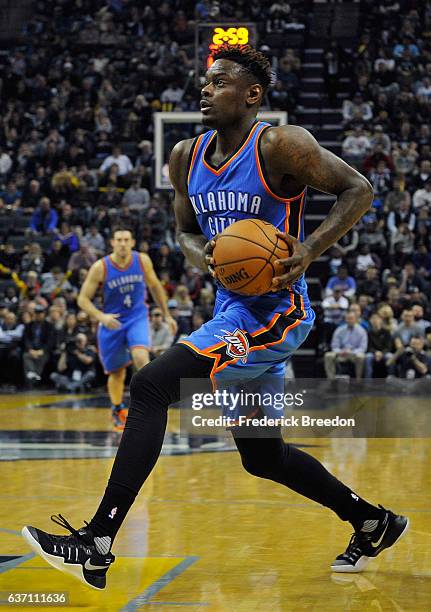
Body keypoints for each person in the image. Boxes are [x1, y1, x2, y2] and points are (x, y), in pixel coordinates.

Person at [22, 44, 408, 589]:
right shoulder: (185, 154)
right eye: (205, 81)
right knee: (263, 456)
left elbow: (358, 189)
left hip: (277, 312)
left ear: (252, 95)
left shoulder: (282, 146)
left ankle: (97, 541)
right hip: (232, 310)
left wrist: (310, 248)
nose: (205, 89)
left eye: (220, 81)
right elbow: (184, 229)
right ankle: (373, 522)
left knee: (154, 384)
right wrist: (196, 253)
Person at [76, 225, 177, 429]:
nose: (122, 243)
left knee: (141, 357)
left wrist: (167, 315)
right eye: (118, 240)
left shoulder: (142, 260)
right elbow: (82, 299)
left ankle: (153, 402)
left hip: (137, 316)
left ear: (132, 243)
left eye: (126, 240)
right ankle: (117, 409)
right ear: (112, 243)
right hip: (113, 321)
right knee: (117, 373)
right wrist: (101, 316)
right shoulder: (100, 267)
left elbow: (156, 287)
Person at [324, 311, 368, 379]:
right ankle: (331, 380)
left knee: (361, 357)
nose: (349, 320)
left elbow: (363, 348)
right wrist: (340, 351)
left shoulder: (361, 331)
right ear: (345, 319)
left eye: (351, 318)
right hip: (341, 353)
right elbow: (334, 346)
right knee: (328, 355)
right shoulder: (339, 330)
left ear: (356, 319)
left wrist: (351, 352)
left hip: (354, 354)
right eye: (348, 318)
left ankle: (358, 380)